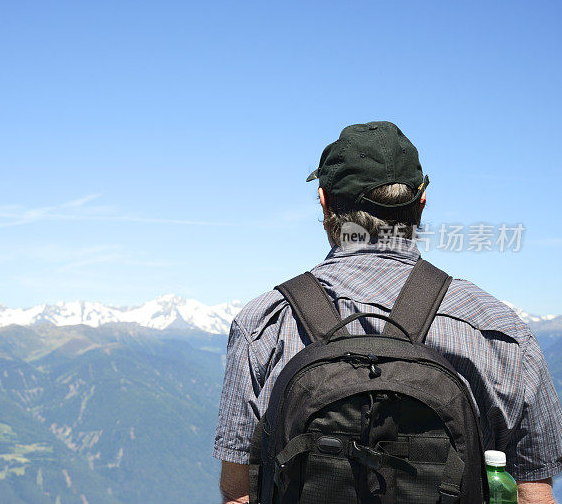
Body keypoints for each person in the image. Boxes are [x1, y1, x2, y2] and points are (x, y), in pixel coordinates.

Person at [213, 121, 562, 504]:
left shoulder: (263, 324)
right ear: (421, 204)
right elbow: (532, 493)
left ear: (324, 201)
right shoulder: (500, 330)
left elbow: (238, 493)